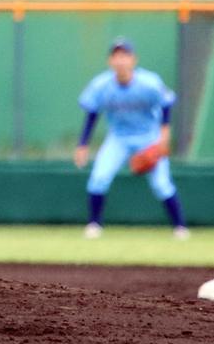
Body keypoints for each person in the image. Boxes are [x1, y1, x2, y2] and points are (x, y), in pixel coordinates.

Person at [74, 37, 189, 240]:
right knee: (99, 177)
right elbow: (92, 113)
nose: (121, 60)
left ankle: (180, 227)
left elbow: (166, 103)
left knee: (162, 184)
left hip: (148, 136)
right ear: (110, 61)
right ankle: (94, 224)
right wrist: (83, 144)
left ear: (133, 60)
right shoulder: (101, 85)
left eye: (125, 55)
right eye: (116, 56)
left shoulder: (149, 82)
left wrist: (164, 133)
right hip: (118, 137)